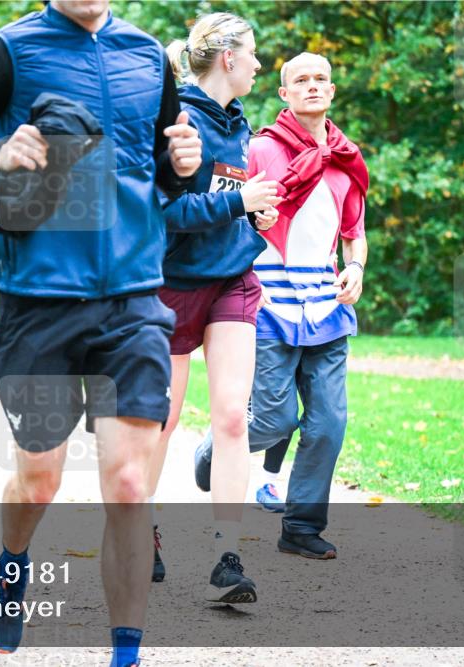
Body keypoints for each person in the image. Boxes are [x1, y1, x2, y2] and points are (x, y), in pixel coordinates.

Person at [0, 1, 202, 664]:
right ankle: (13, 561)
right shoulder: (10, 51)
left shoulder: (146, 56)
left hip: (133, 297)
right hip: (39, 302)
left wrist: (182, 163)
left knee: (129, 484)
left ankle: (126, 653)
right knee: (39, 482)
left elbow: (159, 167)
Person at [194, 51, 369, 560]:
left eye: (321, 79)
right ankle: (214, 450)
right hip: (268, 302)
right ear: (284, 93)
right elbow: (227, 213)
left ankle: (301, 528)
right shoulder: (256, 149)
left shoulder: (346, 158)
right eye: (301, 79)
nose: (312, 86)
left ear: (331, 91)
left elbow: (354, 232)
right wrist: (245, 260)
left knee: (329, 424)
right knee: (273, 420)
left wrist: (356, 267)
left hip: (327, 307)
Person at [145, 12, 281, 603]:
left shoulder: (238, 121)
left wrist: (254, 216)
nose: (258, 64)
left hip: (233, 279)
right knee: (162, 422)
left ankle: (228, 557)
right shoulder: (177, 119)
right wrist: (239, 203)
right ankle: (139, 531)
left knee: (231, 418)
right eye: (252, 53)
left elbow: (228, 198)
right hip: (172, 285)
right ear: (228, 57)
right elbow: (166, 214)